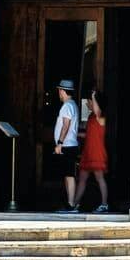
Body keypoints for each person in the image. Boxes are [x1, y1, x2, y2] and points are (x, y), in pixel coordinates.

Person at [75, 90, 109, 214]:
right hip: (88, 152)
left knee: (100, 178)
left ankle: (104, 204)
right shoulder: (90, 117)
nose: (88, 103)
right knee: (82, 179)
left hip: (97, 152)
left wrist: (93, 95)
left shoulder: (100, 116)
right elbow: (88, 134)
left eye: (89, 101)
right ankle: (74, 204)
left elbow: (96, 110)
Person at [50, 80, 80, 213]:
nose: (59, 93)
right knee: (68, 175)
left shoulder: (67, 106)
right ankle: (70, 203)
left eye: (59, 91)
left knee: (69, 175)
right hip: (69, 145)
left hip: (67, 145)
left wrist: (60, 143)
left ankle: (71, 203)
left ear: (63, 91)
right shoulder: (72, 105)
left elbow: (65, 125)